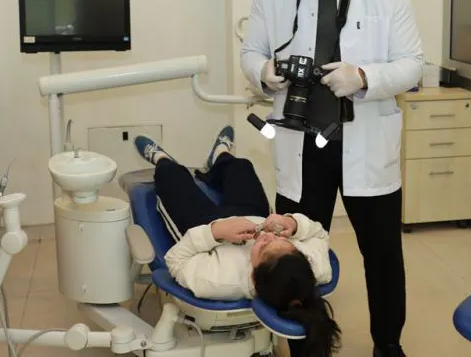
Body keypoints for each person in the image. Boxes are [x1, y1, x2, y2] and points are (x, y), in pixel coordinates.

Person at [240, 0, 424, 357]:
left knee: (382, 255)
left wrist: (364, 77)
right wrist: (263, 71)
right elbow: (251, 51)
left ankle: (387, 344)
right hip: (302, 145)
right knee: (296, 254)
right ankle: (304, 343)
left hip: (365, 143)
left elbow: (412, 65)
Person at [134, 127, 342, 357]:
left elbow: (175, 260)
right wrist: (292, 224)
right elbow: (319, 234)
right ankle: (219, 157)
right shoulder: (317, 269)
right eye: (282, 241)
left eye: (263, 248)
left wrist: (215, 232)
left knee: (171, 175)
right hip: (253, 216)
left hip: (202, 225)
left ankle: (161, 158)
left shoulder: (219, 281)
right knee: (242, 166)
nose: (268, 236)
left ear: (253, 277)